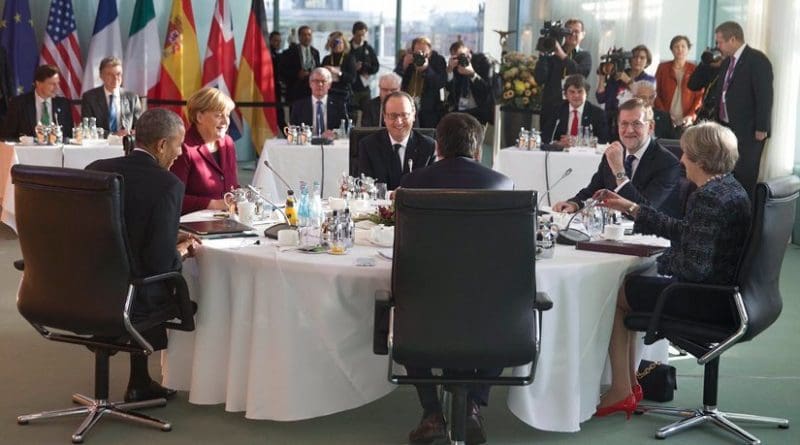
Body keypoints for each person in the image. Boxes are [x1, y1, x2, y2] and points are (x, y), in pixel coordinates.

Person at [593, 121, 751, 417]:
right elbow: (689, 232)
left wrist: (656, 260)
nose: (680, 159)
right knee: (634, 284)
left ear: (701, 161)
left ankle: (621, 389)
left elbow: (693, 267)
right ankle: (627, 387)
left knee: (620, 292)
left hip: (706, 300)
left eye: (686, 154)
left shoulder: (707, 198)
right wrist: (632, 208)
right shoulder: (729, 187)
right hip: (732, 296)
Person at [398, 112, 511, 445]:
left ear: (438, 146)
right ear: (478, 150)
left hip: (424, 311)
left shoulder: (413, 183)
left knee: (404, 306)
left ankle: (432, 412)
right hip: (487, 314)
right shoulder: (503, 185)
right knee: (511, 310)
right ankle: (473, 403)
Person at [86, 108, 201, 403]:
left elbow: (116, 227)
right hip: (131, 298)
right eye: (178, 144)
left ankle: (140, 381)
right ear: (162, 145)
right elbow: (161, 262)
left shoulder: (97, 168)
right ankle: (139, 382)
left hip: (85, 289)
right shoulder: (167, 184)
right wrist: (182, 248)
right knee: (160, 281)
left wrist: (166, 234)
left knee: (137, 274)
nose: (180, 152)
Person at [688, 21, 773, 197]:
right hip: (725, 129)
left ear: (733, 39)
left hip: (749, 131)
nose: (717, 46)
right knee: (724, 179)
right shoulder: (726, 62)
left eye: (720, 42)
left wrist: (761, 127)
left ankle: (744, 222)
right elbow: (696, 84)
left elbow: (764, 95)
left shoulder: (757, 60)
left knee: (744, 178)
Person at [552, 98, 680, 213]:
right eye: (624, 124)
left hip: (649, 235)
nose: (629, 130)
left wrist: (619, 173)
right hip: (613, 230)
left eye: (636, 123)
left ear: (650, 126)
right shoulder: (614, 152)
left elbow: (645, 211)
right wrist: (574, 204)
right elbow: (593, 190)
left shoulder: (668, 163)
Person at [169, 87, 239, 214]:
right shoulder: (184, 148)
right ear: (199, 117)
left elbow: (233, 187)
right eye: (218, 115)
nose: (225, 121)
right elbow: (174, 198)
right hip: (194, 224)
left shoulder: (228, 143)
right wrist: (214, 204)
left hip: (228, 220)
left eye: (227, 115)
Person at [357, 91, 434, 190]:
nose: (399, 121)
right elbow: (365, 186)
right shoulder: (368, 145)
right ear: (384, 117)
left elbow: (430, 188)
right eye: (393, 116)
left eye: (404, 115)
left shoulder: (428, 147)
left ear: (413, 115)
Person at [534, 18, 592, 132]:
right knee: (547, 143)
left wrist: (561, 54)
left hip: (573, 108)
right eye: (569, 31)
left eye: (577, 31)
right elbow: (540, 78)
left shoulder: (585, 55)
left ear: (583, 34)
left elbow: (581, 74)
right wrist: (543, 54)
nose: (572, 34)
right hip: (551, 106)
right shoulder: (551, 54)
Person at [597, 44, 655, 140]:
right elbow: (601, 98)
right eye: (635, 57)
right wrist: (602, 76)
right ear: (630, 59)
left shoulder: (649, 79)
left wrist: (627, 80)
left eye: (642, 58)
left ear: (647, 61)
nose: (638, 60)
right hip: (612, 122)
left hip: (633, 122)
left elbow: (643, 97)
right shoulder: (617, 76)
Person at [1, 64, 72, 140]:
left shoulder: (63, 104)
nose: (57, 88)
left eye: (58, 83)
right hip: (28, 150)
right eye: (52, 84)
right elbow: (7, 136)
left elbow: (68, 136)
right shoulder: (19, 103)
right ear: (38, 83)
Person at [654, 35, 703, 137]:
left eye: (683, 46)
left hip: (686, 120)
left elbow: (699, 96)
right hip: (665, 117)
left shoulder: (694, 69)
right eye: (676, 46)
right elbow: (655, 92)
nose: (680, 49)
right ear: (671, 50)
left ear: (688, 49)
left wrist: (691, 115)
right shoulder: (663, 68)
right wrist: (664, 115)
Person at [80, 57, 142, 137]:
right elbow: (88, 127)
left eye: (118, 74)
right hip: (99, 145)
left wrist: (131, 133)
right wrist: (113, 135)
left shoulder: (132, 98)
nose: (115, 78)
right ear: (101, 76)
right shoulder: (89, 98)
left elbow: (140, 127)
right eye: (110, 74)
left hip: (125, 144)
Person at [540, 74, 608, 145]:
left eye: (580, 91)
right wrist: (558, 143)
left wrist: (580, 142)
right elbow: (545, 137)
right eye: (572, 92)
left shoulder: (597, 113)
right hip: (561, 153)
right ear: (566, 94)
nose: (576, 95)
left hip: (585, 154)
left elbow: (603, 140)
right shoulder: (556, 110)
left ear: (586, 94)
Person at [395, 36, 447, 128]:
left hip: (429, 109)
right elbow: (396, 78)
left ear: (430, 52)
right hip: (408, 107)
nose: (421, 55)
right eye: (417, 52)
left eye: (424, 52)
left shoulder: (438, 60)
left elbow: (440, 83)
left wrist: (427, 69)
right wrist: (403, 66)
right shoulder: (408, 58)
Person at [289, 67, 349, 138]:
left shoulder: (339, 105)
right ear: (310, 84)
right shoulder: (298, 106)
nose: (320, 84)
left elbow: (345, 126)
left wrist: (334, 133)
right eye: (316, 81)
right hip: (306, 145)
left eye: (323, 81)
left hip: (331, 145)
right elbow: (293, 128)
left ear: (329, 85)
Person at [445, 41, 493, 125]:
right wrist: (449, 70)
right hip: (460, 111)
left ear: (468, 51)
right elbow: (450, 88)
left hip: (478, 111)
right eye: (457, 57)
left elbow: (486, 89)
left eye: (462, 55)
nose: (461, 59)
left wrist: (472, 74)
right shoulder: (456, 66)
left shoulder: (481, 62)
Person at [280, 25, 320, 104]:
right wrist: (297, 74)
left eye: (309, 35)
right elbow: (282, 71)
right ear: (299, 36)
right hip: (295, 91)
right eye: (304, 35)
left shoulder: (315, 52)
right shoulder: (289, 52)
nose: (307, 37)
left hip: (311, 92)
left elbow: (318, 68)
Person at [321, 31, 357, 109]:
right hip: (328, 93)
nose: (337, 45)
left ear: (344, 44)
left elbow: (352, 79)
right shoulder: (326, 59)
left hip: (343, 94)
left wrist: (338, 73)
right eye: (334, 43)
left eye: (339, 42)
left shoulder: (349, 58)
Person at [349, 21, 380, 112]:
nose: (361, 38)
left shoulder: (369, 49)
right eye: (359, 35)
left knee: (367, 112)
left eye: (363, 35)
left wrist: (364, 67)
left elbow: (376, 67)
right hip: (351, 88)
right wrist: (353, 67)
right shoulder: (347, 48)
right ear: (354, 34)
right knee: (352, 113)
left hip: (365, 87)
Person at [269, 31, 287, 131]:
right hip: (270, 90)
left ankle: (289, 136)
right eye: (275, 41)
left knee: (280, 117)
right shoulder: (268, 55)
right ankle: (289, 136)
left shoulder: (278, 55)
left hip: (276, 90)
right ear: (270, 41)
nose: (278, 43)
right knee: (280, 118)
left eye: (279, 41)